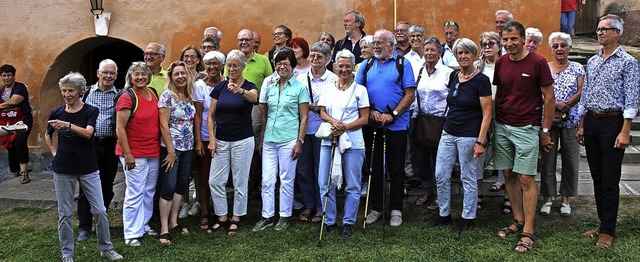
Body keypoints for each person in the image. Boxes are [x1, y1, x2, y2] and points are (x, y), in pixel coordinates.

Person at [45, 72, 123, 261]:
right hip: (63, 169)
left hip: (88, 167)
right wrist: (55, 153)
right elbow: (48, 134)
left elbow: (89, 133)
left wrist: (68, 126)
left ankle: (106, 248)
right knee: (64, 214)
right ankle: (67, 254)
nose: (66, 94)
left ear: (80, 91)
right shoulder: (56, 112)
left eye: (71, 90)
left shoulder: (90, 111)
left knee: (99, 210)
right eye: (64, 91)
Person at [576, 14, 639, 249]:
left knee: (610, 180)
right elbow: (586, 94)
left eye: (605, 29)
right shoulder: (592, 61)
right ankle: (602, 223)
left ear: (617, 32)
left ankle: (609, 231)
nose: (600, 32)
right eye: (598, 28)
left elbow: (632, 99)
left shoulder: (628, 62)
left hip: (613, 123)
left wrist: (625, 131)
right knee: (597, 176)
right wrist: (582, 124)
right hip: (592, 121)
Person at [493, 21, 555, 253]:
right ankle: (518, 220)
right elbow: (500, 94)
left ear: (522, 39)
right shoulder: (501, 62)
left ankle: (529, 229)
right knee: (508, 173)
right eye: (506, 40)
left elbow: (549, 98)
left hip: (527, 128)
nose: (509, 44)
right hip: (503, 126)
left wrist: (545, 130)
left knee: (526, 178)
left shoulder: (538, 62)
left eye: (513, 39)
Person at [427, 38, 492, 232]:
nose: (463, 56)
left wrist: (480, 141)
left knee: (468, 176)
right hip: (448, 132)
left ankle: (467, 217)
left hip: (469, 135)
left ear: (474, 55)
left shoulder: (481, 80)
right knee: (440, 174)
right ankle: (444, 213)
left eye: (467, 53)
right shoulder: (454, 76)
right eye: (459, 53)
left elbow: (487, 113)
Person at [359, 29, 416, 227]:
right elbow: (359, 92)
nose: (375, 46)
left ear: (391, 45)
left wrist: (393, 114)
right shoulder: (366, 65)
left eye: (379, 43)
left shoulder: (402, 64)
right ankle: (376, 207)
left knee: (396, 169)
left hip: (396, 125)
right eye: (374, 42)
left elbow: (410, 94)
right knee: (374, 168)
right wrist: (371, 111)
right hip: (372, 123)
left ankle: (396, 209)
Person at [253, 48, 309, 232]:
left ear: (293, 66)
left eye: (285, 63)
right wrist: (261, 139)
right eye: (278, 63)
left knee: (286, 179)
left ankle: (284, 216)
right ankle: (267, 216)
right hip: (269, 139)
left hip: (289, 140)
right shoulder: (270, 86)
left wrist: (299, 141)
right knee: (267, 180)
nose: (281, 67)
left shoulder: (300, 88)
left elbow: (304, 117)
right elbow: (264, 113)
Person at [317, 49, 369, 237]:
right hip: (330, 140)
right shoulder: (328, 88)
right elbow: (322, 112)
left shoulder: (360, 90)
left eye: (348, 66)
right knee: (324, 182)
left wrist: (345, 126)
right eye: (341, 66)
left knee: (353, 185)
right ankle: (329, 219)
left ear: (353, 67)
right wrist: (334, 123)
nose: (344, 69)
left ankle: (348, 221)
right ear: (335, 66)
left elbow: (364, 118)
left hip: (353, 142)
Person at [207, 50, 258, 235]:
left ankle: (237, 216)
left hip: (242, 140)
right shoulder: (220, 87)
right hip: (221, 139)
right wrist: (212, 139)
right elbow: (211, 116)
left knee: (240, 180)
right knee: (215, 180)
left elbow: (255, 98)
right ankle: (222, 216)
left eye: (235, 65)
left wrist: (241, 91)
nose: (231, 69)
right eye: (229, 65)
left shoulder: (250, 86)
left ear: (243, 66)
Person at [115, 62, 160, 247]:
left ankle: (144, 224)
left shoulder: (152, 93)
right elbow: (120, 127)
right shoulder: (127, 96)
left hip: (153, 151)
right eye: (136, 75)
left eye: (143, 74)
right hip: (134, 153)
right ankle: (131, 233)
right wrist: (128, 154)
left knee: (149, 191)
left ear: (149, 76)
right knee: (135, 193)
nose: (140, 77)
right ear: (130, 77)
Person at [539, 32, 584, 217]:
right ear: (550, 49)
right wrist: (554, 106)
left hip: (572, 119)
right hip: (549, 119)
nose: (559, 49)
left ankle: (566, 199)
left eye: (563, 45)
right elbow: (539, 93)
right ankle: (548, 198)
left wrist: (566, 105)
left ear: (569, 48)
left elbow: (583, 91)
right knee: (548, 160)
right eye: (555, 46)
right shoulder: (544, 68)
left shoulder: (578, 68)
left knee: (571, 160)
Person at [76, 59, 120, 243]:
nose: (108, 76)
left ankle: (100, 218)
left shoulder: (120, 95)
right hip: (90, 145)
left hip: (110, 145)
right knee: (86, 186)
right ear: (97, 73)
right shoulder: (85, 93)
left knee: (107, 186)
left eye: (112, 73)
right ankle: (84, 227)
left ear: (116, 76)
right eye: (105, 72)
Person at [295, 42, 339, 223]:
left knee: (321, 169)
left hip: (323, 130)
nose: (314, 59)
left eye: (319, 57)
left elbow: (336, 105)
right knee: (303, 170)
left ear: (327, 60)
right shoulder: (300, 78)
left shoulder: (333, 80)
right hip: (304, 130)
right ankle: (308, 203)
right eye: (312, 56)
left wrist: (318, 108)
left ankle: (322, 206)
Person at [157, 61, 196, 245]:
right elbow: (163, 125)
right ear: (171, 78)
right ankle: (164, 228)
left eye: (183, 73)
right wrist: (171, 151)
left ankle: (174, 222)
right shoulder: (167, 96)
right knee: (168, 186)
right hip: (171, 149)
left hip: (187, 147)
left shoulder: (189, 95)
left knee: (181, 185)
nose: (180, 77)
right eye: (176, 74)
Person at [412, 37, 453, 209]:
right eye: (426, 50)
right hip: (422, 119)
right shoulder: (419, 72)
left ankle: (441, 194)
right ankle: (428, 189)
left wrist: (449, 118)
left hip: (440, 121)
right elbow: (414, 95)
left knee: (440, 159)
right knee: (421, 158)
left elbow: (452, 97)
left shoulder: (448, 73)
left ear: (440, 53)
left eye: (433, 50)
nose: (429, 53)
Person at [474, 32, 511, 214]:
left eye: (491, 43)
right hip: (481, 117)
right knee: (478, 154)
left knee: (503, 154)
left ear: (499, 46)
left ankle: (507, 195)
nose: (487, 47)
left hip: (503, 115)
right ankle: (478, 194)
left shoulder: (506, 65)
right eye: (484, 44)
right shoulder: (477, 66)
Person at [235, 28, 273, 199]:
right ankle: (240, 183)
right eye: (241, 39)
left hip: (255, 109)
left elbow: (271, 83)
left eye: (247, 40)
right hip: (236, 108)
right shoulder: (234, 58)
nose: (244, 43)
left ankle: (254, 182)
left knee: (256, 144)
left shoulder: (263, 60)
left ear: (253, 43)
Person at [193, 51, 226, 230]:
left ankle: (221, 210)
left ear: (222, 65)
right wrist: (198, 140)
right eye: (209, 64)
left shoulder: (228, 83)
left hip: (225, 136)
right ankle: (205, 211)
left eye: (216, 63)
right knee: (204, 175)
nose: (212, 67)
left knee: (221, 177)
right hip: (206, 136)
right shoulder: (199, 86)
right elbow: (198, 115)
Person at [0, 64, 32, 184]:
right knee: (10, 147)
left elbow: (13, 102)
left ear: (13, 76)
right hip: (6, 122)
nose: (7, 78)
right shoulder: (1, 90)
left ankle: (24, 173)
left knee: (19, 142)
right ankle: (14, 174)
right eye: (4, 75)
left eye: (9, 75)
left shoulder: (20, 87)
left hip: (22, 121)